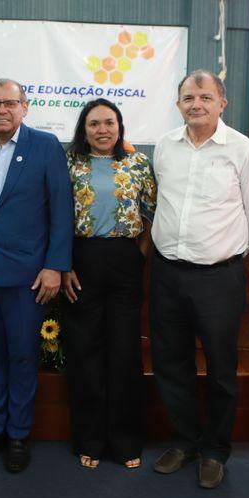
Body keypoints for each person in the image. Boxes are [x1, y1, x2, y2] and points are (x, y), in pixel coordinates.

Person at [149, 69, 249, 489]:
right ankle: (184, 441)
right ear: (178, 104)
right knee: (170, 363)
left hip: (219, 278)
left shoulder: (245, 151)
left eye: (204, 97)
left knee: (220, 369)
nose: (196, 104)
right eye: (188, 97)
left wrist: (225, 252)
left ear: (222, 103)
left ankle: (215, 451)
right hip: (167, 273)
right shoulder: (165, 146)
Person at [0, 79, 73, 473]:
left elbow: (61, 209)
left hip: (28, 276)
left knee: (22, 356)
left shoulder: (45, 145)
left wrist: (55, 265)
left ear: (25, 107)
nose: (2, 110)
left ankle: (19, 435)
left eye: (10, 102)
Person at [61, 99, 157, 470]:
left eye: (109, 123)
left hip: (124, 261)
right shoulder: (69, 163)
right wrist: (63, 264)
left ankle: (126, 440)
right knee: (85, 353)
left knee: (124, 352)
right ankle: (90, 439)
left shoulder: (138, 163)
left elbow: (151, 214)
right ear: (83, 130)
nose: (103, 130)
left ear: (120, 127)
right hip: (80, 260)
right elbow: (55, 216)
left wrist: (138, 256)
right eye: (94, 124)